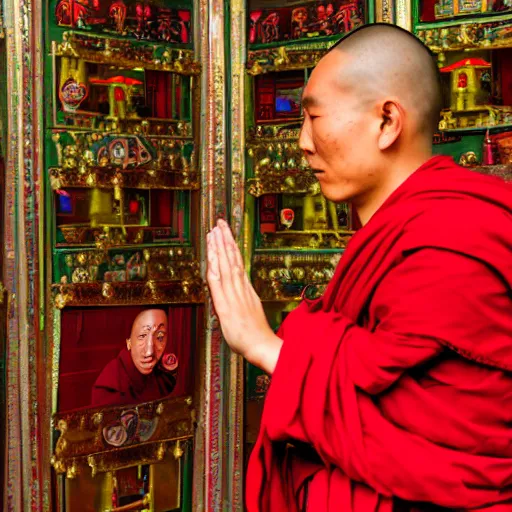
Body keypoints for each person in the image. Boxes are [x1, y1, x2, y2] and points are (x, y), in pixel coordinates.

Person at [206, 23, 512, 512]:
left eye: (314, 116)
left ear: (387, 121)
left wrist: (265, 346)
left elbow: (436, 455)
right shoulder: (400, 230)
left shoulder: (456, 237)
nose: (303, 142)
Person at [92, 308, 178, 407]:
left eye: (160, 337)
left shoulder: (160, 376)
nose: (150, 352)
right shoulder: (110, 387)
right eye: (142, 336)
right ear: (129, 342)